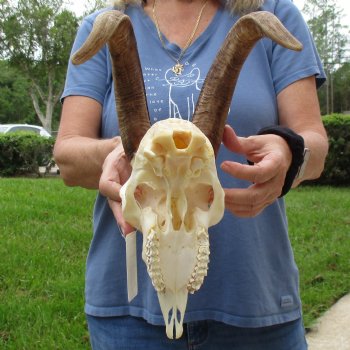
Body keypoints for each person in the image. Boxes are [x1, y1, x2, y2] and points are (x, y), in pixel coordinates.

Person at [54, 0, 328, 348]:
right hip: (129, 317)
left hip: (255, 307)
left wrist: (290, 152)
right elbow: (67, 156)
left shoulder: (275, 13)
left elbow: (314, 148)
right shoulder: (101, 26)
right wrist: (115, 155)